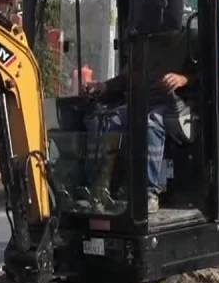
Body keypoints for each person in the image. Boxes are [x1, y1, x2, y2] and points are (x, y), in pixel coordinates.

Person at [83, 34, 194, 213]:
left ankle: (149, 193)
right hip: (139, 103)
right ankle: (99, 187)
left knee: (149, 124)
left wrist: (183, 79)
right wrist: (104, 86)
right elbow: (126, 79)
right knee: (105, 121)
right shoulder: (144, 45)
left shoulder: (188, 40)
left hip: (172, 104)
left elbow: (206, 74)